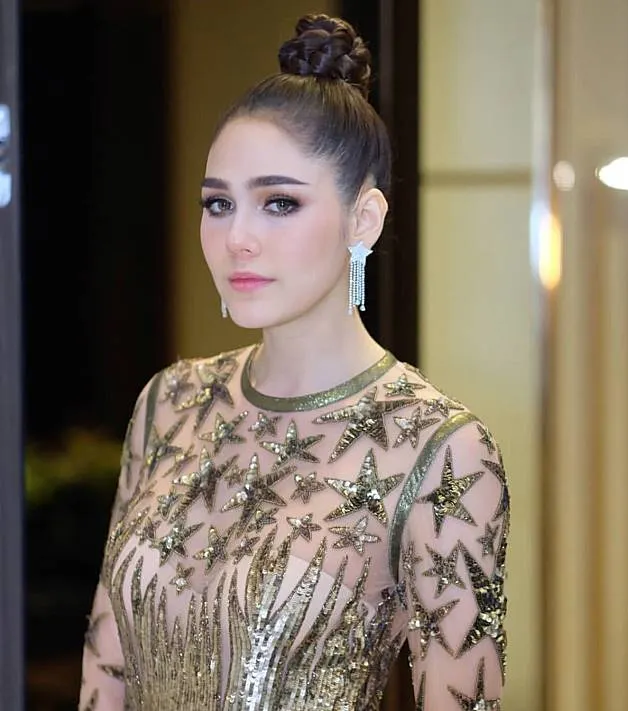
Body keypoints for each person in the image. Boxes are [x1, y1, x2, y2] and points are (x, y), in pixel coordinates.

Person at [79, 14, 509, 711]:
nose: (238, 237)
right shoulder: (169, 402)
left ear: (363, 220)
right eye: (218, 204)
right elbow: (105, 677)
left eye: (279, 202)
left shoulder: (442, 450)